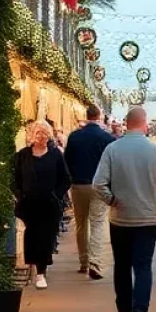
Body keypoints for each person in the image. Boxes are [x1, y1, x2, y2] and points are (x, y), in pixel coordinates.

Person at [93, 106, 156, 312]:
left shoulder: (112, 149)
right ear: (145, 124)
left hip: (121, 219)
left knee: (122, 266)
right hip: (147, 219)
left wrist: (113, 200)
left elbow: (98, 184)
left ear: (126, 124)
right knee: (143, 266)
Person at [12, 120, 71, 289]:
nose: (41, 136)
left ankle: (41, 272)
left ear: (49, 135)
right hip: (29, 204)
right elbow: (14, 177)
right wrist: (20, 195)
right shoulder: (23, 155)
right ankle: (33, 265)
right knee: (31, 236)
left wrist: (56, 195)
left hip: (49, 204)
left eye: (44, 133)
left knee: (46, 237)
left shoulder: (55, 155)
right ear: (32, 135)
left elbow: (65, 179)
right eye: (38, 133)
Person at [64, 104, 114, 281]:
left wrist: (71, 179)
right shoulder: (107, 138)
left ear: (86, 116)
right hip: (99, 187)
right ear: (99, 116)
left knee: (81, 224)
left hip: (78, 185)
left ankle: (83, 261)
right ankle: (95, 262)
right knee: (98, 224)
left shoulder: (74, 137)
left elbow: (66, 161)